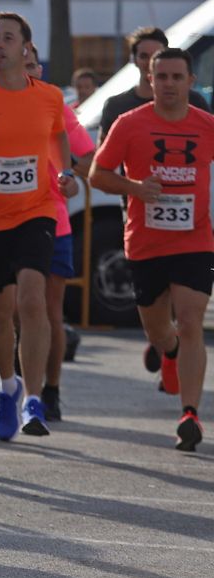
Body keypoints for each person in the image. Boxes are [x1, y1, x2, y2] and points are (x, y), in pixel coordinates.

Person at [89, 47, 214, 451]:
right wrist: (135, 189)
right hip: (145, 241)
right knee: (160, 331)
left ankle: (189, 413)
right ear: (150, 78)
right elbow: (97, 175)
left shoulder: (206, 125)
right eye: (162, 77)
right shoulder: (129, 124)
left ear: (191, 82)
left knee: (192, 321)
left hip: (195, 239)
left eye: (178, 77)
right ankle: (170, 352)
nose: (170, 85)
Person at [0, 12, 69, 440]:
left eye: (8, 37)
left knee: (33, 297)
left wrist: (65, 173)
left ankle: (34, 399)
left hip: (36, 210)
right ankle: (8, 385)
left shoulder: (49, 97)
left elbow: (57, 137)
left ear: (26, 47)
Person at [23, 44, 93, 421]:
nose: (30, 72)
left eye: (35, 65)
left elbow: (88, 155)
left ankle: (50, 389)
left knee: (49, 311)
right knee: (14, 310)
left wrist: (66, 175)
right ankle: (20, 380)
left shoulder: (55, 105)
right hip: (3, 222)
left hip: (53, 221)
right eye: (25, 65)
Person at [100, 27, 211, 143]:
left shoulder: (194, 101)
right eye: (144, 56)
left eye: (156, 55)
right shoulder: (116, 106)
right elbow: (102, 156)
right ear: (134, 59)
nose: (150, 62)